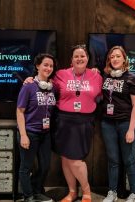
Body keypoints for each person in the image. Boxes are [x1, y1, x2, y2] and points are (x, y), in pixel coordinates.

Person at [24, 44, 102, 202]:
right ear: (71, 60)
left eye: (82, 56)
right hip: (63, 121)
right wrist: (31, 79)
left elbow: (101, 95)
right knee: (65, 159)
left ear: (88, 59)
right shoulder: (61, 74)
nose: (79, 58)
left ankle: (86, 190)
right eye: (76, 56)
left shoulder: (96, 76)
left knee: (76, 160)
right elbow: (43, 82)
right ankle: (72, 192)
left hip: (84, 122)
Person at [101, 46, 135, 202]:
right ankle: (112, 192)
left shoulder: (132, 78)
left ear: (124, 59)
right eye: (112, 57)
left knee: (129, 159)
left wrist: (131, 129)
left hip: (126, 123)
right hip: (108, 124)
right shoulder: (105, 76)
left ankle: (134, 194)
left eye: (118, 56)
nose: (115, 59)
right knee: (112, 159)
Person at [16, 53, 57, 202]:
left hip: (45, 134)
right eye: (45, 65)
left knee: (45, 166)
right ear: (37, 66)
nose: (48, 68)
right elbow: (20, 111)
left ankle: (36, 190)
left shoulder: (52, 88)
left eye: (51, 66)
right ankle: (28, 196)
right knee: (26, 167)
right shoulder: (28, 86)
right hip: (30, 132)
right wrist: (23, 135)